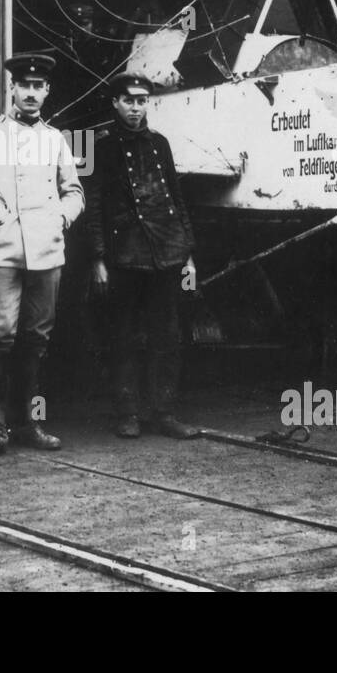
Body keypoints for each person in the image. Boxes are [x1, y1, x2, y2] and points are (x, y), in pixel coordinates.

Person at [0, 53, 84, 460]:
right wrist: (3, 220)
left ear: (47, 91)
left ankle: (32, 423)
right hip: (3, 253)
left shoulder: (55, 139)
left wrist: (61, 218)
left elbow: (74, 191)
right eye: (23, 85)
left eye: (38, 86)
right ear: (12, 88)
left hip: (47, 254)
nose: (30, 93)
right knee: (0, 337)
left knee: (37, 339)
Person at [86, 72, 201, 440]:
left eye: (141, 102)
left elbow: (176, 199)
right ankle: (128, 413)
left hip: (165, 253)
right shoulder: (100, 147)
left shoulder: (160, 144)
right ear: (115, 103)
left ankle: (164, 413)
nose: (136, 108)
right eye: (128, 101)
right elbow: (95, 207)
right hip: (125, 254)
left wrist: (187, 252)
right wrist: (99, 258)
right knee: (124, 337)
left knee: (166, 337)